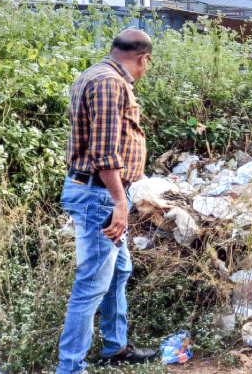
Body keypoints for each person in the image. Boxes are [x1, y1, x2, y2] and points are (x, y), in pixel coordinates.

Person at [57, 29, 159, 374]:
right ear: (142, 57)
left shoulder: (94, 74)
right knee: (91, 284)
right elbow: (103, 154)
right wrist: (119, 202)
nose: (145, 71)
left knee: (119, 269)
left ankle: (115, 347)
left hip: (101, 192)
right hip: (100, 196)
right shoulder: (110, 83)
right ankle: (70, 368)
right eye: (147, 64)